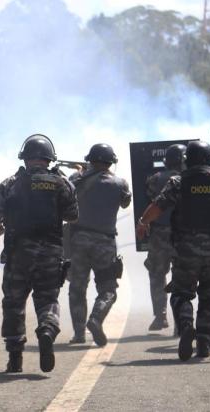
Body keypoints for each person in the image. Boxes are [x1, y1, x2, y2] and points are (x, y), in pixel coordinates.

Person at [136, 141, 210, 361]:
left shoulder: (179, 182)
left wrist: (143, 222)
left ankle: (185, 328)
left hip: (186, 249)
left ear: (188, 160)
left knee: (181, 293)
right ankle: (203, 339)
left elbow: (158, 206)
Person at [0, 134, 78, 373]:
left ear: (25, 158)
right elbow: (72, 215)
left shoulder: (11, 183)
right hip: (51, 254)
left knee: (14, 303)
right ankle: (47, 329)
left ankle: (15, 359)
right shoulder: (61, 183)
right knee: (47, 300)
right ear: (49, 158)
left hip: (18, 256)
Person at [68, 143, 131, 346]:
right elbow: (125, 202)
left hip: (78, 241)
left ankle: (79, 334)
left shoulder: (76, 179)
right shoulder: (120, 183)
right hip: (105, 242)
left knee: (77, 288)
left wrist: (82, 172)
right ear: (111, 161)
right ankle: (96, 318)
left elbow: (68, 195)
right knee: (108, 289)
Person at [143, 144, 186, 332]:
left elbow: (150, 196)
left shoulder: (155, 179)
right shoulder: (188, 179)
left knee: (157, 275)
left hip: (160, 233)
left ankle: (160, 316)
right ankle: (180, 321)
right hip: (183, 234)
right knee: (181, 276)